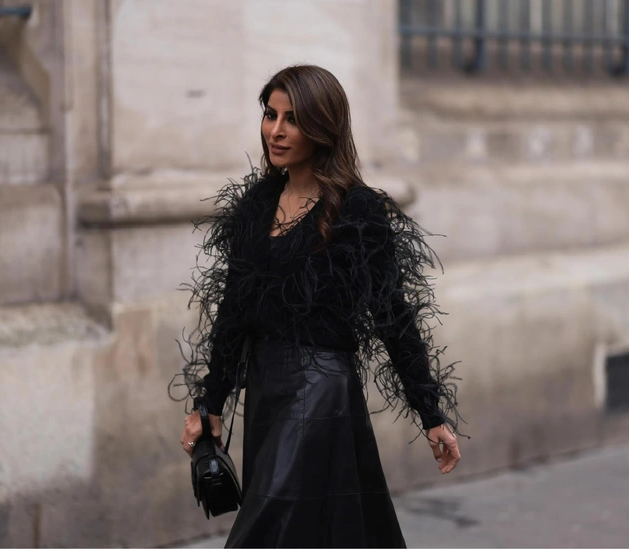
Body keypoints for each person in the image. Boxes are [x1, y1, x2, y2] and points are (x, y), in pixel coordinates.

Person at [173, 65, 464, 548]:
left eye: (293, 119)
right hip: (266, 391)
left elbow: (393, 316)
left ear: (323, 127)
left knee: (267, 529)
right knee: (311, 534)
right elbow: (233, 313)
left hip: (321, 391)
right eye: (270, 115)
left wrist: (430, 413)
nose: (276, 130)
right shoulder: (259, 203)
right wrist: (211, 404)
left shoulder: (358, 208)